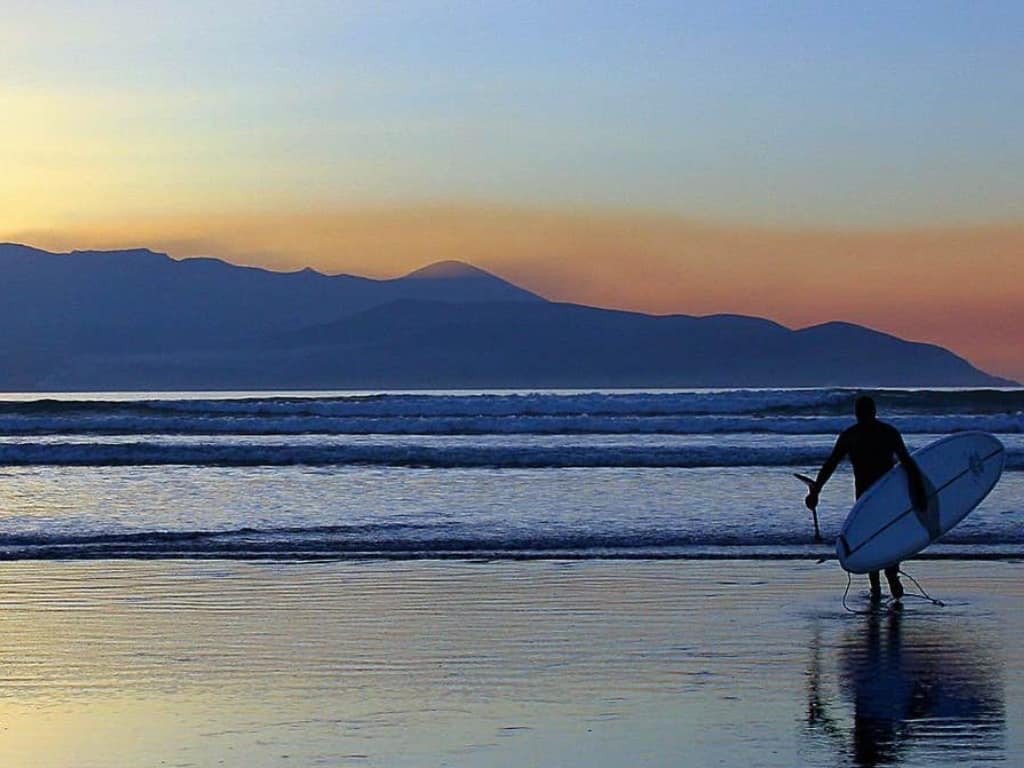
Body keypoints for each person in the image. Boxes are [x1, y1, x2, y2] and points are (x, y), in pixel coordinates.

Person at [804, 395, 927, 602]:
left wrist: (816, 490)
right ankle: (886, 579)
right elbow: (909, 465)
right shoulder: (885, 432)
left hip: (869, 497)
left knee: (872, 537)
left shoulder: (853, 435)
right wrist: (920, 492)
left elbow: (831, 464)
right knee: (884, 536)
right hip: (878, 497)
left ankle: (881, 582)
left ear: (860, 413)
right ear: (873, 411)